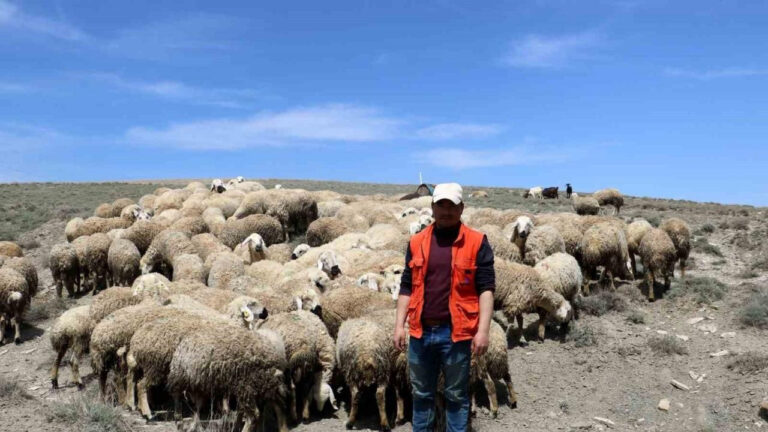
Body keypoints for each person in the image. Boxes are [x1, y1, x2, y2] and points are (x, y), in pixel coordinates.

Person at [393, 182, 495, 432]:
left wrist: (483, 331)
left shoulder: (477, 242)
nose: (446, 211)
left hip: (456, 334)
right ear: (432, 207)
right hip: (420, 331)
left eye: (452, 206)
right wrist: (398, 326)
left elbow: (486, 289)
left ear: (462, 208)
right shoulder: (417, 241)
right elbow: (407, 286)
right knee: (422, 396)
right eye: (441, 205)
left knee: (456, 396)